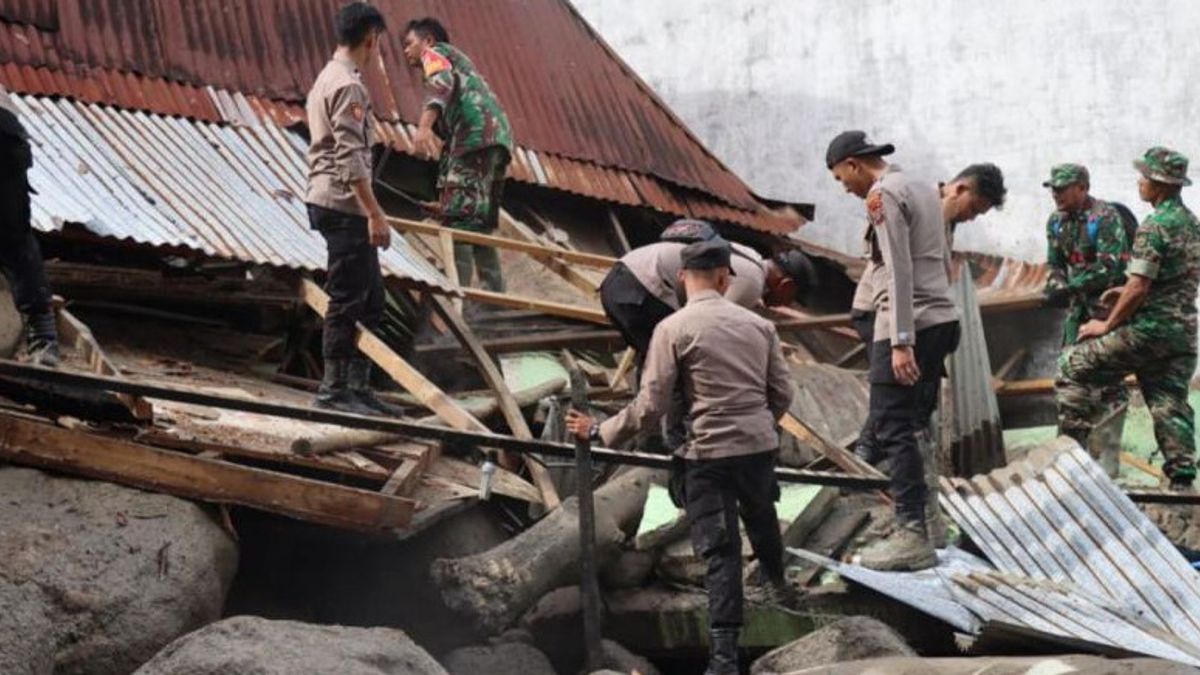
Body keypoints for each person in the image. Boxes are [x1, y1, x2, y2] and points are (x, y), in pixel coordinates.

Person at [566, 238, 795, 675]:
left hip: (706, 455)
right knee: (762, 513)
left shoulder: (672, 329)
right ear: (726, 278)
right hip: (758, 447)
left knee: (721, 551)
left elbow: (651, 405)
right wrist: (759, 425)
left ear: (680, 279)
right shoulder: (760, 326)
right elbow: (784, 392)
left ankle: (724, 661)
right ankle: (779, 583)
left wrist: (599, 430)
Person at [826, 130, 960, 571]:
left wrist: (901, 340)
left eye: (840, 176)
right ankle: (931, 523)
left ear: (853, 164)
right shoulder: (922, 185)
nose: (843, 186)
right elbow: (941, 259)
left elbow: (899, 269)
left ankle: (910, 535)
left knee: (891, 425)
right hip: (942, 318)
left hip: (909, 323)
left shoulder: (881, 196)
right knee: (917, 422)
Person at [1057, 147, 1200, 488]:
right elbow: (1175, 279)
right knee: (1168, 400)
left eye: (1144, 177)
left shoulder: (1154, 226)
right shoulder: (1192, 224)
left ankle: (1069, 463)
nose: (1139, 183)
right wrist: (1122, 293)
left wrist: (1107, 324)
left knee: (1072, 365)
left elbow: (1138, 287)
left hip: (1149, 331)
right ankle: (1182, 480)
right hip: (1184, 334)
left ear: (1159, 184)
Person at [853, 163, 1007, 467]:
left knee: (917, 393)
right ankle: (866, 459)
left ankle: (888, 463)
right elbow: (899, 264)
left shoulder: (946, 213)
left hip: (915, 313)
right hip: (882, 309)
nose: (971, 217)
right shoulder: (921, 202)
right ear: (960, 188)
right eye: (973, 208)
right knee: (896, 394)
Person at [304, 2, 399, 416]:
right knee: (346, 296)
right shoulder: (348, 86)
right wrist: (375, 212)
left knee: (372, 297)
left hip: (339, 202)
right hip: (343, 205)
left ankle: (358, 388)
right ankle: (334, 389)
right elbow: (350, 157)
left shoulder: (328, 78)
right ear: (371, 38)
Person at [402, 17, 513, 293]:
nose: (406, 51)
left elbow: (440, 85)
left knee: (458, 222)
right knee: (478, 221)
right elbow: (451, 148)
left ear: (427, 41)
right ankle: (494, 298)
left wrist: (424, 126)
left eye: (409, 43)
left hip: (476, 136)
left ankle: (457, 298)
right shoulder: (462, 70)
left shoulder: (436, 54)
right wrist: (445, 200)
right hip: (495, 140)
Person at [1042, 163, 1133, 346]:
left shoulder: (1104, 216)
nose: (1055, 194)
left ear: (1083, 188)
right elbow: (1055, 263)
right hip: (1078, 307)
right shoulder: (1055, 221)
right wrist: (1056, 284)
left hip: (1108, 306)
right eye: (1053, 189)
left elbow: (1107, 268)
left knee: (1105, 366)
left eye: (1061, 189)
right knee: (1068, 361)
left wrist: (1069, 289)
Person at [0, 85, 58, 367]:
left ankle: (43, 337)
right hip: (6, 131)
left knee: (13, 237)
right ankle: (44, 340)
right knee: (14, 238)